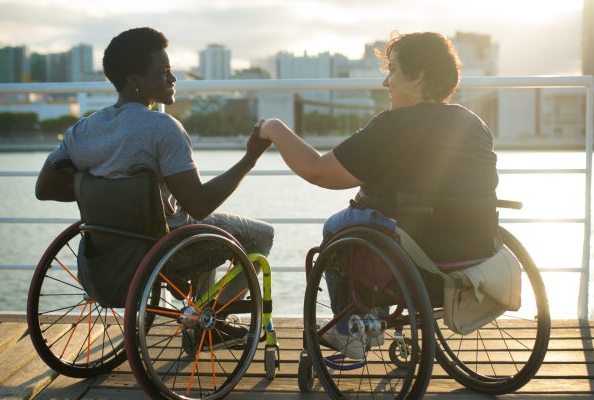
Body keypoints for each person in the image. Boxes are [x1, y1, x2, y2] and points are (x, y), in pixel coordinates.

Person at [257, 31, 498, 359]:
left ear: (418, 75)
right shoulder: (473, 123)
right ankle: (370, 316)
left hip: (417, 259)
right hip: (474, 256)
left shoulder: (395, 125)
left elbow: (318, 171)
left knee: (336, 226)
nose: (386, 82)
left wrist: (273, 128)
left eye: (393, 70)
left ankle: (349, 331)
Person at [35, 27, 274, 344]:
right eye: (164, 72)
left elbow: (45, 188)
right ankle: (211, 321)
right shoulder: (163, 128)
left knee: (199, 225)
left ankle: (200, 320)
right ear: (135, 80)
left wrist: (104, 196)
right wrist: (251, 157)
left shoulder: (83, 130)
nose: (173, 79)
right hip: (168, 250)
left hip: (112, 250)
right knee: (261, 235)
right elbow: (200, 203)